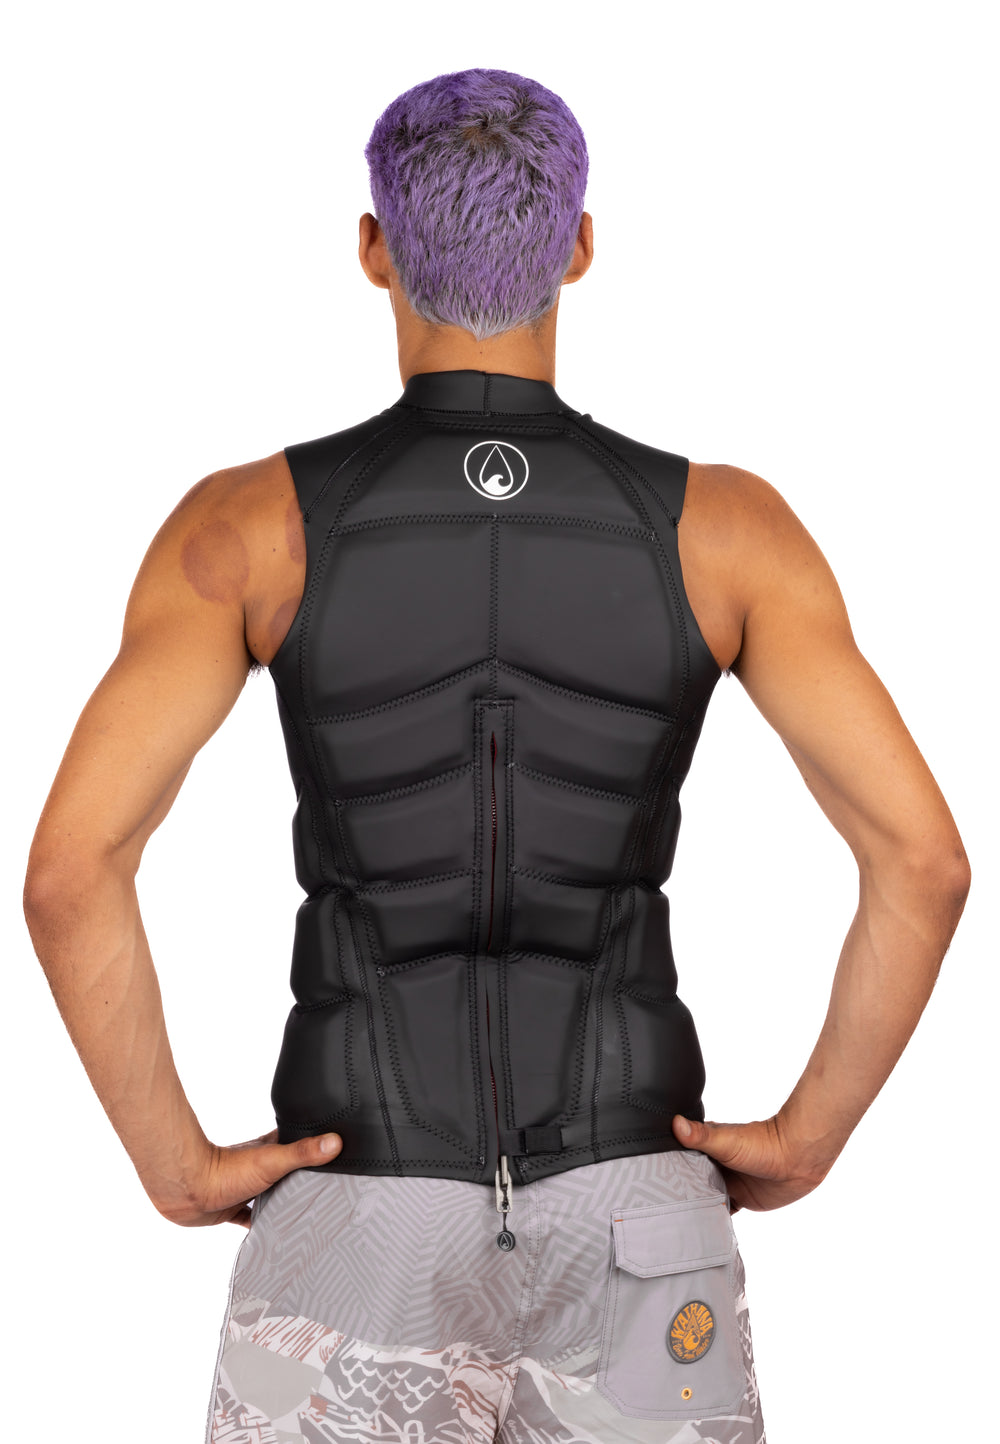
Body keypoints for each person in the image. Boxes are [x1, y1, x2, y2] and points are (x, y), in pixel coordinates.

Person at [23, 68, 969, 1444]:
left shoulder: (245, 530)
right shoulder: (729, 533)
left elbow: (71, 870)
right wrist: (809, 1135)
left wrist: (170, 1158)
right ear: (578, 246)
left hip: (356, 1222)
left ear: (374, 249)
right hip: (638, 1210)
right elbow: (924, 862)